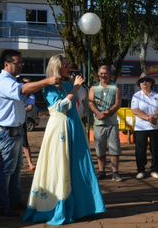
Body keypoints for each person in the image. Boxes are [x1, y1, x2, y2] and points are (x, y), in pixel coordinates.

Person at [23, 54, 106, 224]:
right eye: (66, 65)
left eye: (69, 64)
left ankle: (85, 208)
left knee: (80, 165)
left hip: (74, 125)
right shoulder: (49, 87)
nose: (69, 68)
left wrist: (76, 87)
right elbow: (61, 107)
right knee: (60, 165)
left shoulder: (69, 82)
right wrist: (75, 88)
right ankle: (60, 207)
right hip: (59, 128)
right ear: (57, 68)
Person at [0, 49, 62, 217]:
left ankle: (15, 201)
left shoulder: (12, 80)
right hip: (7, 132)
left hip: (16, 130)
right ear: (6, 64)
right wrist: (46, 81)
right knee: (7, 170)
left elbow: (24, 96)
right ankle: (2, 206)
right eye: (17, 63)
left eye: (21, 63)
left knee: (16, 169)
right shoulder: (3, 81)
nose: (21, 66)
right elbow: (22, 91)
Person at [89, 65, 122, 182]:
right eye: (101, 73)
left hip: (112, 122)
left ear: (110, 74)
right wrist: (98, 113)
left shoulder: (115, 87)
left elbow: (118, 103)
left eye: (106, 73)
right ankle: (101, 171)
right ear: (98, 74)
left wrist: (108, 112)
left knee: (114, 148)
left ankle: (115, 172)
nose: (103, 75)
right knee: (99, 148)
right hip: (98, 123)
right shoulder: (94, 88)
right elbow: (91, 102)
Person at [131, 73, 158, 179]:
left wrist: (154, 116)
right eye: (142, 81)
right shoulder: (136, 96)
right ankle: (141, 170)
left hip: (156, 126)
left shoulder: (157, 95)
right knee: (140, 149)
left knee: (156, 149)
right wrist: (147, 118)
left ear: (151, 83)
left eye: (147, 80)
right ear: (140, 84)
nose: (144, 82)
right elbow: (135, 110)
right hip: (141, 127)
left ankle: (154, 169)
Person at [20, 77, 36, 170]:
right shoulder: (17, 93)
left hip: (22, 122)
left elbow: (30, 108)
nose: (26, 85)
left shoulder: (31, 96)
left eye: (28, 83)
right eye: (24, 83)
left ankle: (30, 163)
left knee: (24, 143)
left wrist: (19, 110)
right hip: (11, 122)